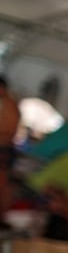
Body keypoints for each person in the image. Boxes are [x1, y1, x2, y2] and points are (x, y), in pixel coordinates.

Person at [0, 76, 21, 215]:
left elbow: (8, 132)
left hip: (3, 149)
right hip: (4, 148)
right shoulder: (7, 104)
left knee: (2, 184)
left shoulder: (9, 105)